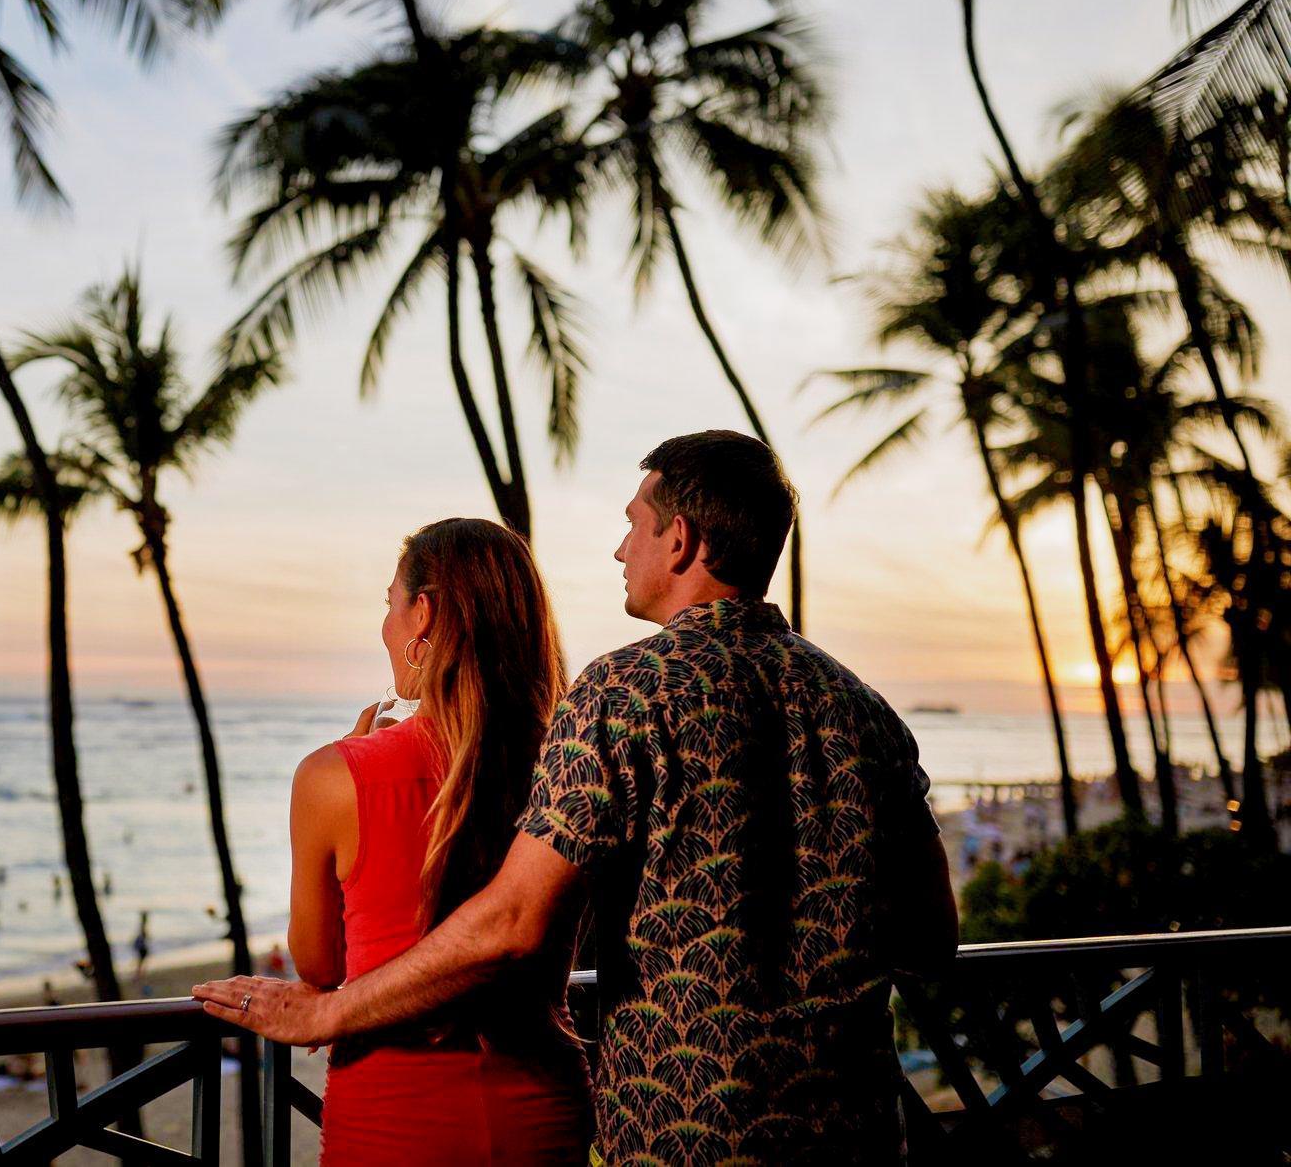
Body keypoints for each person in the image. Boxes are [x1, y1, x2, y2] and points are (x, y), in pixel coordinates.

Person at [197, 432, 958, 1167]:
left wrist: (326, 1011)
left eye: (634, 526)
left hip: (686, 1130)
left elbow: (514, 922)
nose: (621, 549)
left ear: (681, 540)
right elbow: (931, 939)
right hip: (854, 1127)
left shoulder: (627, 692)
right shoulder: (860, 706)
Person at [291, 517, 591, 1163]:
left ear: (421, 613)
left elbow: (320, 966)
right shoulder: (566, 765)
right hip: (541, 1111)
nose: (386, 626)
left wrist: (358, 757)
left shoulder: (332, 776)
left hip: (392, 1116)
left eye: (390, 604)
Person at [133, 911, 152, 980]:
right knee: (141, 963)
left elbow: (143, 938)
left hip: (142, 948)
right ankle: (139, 975)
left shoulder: (142, 927)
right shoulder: (143, 927)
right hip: (142, 948)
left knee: (141, 962)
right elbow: (144, 937)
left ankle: (139, 975)